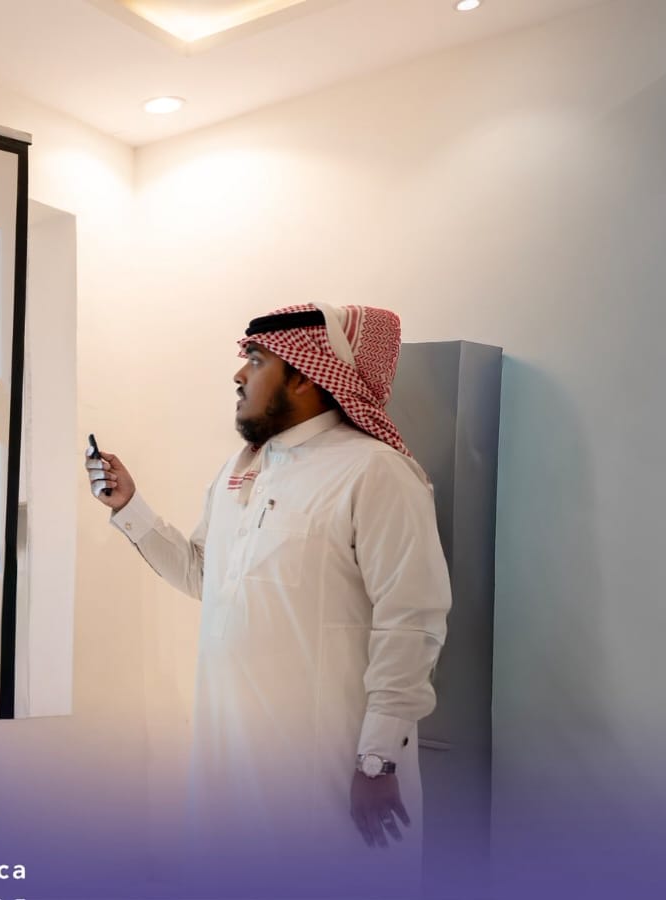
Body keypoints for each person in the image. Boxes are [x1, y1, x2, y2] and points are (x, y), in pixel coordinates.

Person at [87, 303, 452, 891]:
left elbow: (411, 621)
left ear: (306, 376)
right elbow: (203, 575)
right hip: (228, 762)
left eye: (256, 361)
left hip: (325, 769)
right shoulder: (240, 469)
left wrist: (377, 759)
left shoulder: (376, 472)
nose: (239, 375)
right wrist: (130, 507)